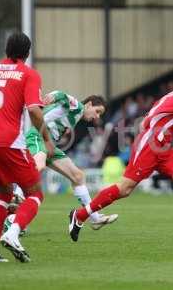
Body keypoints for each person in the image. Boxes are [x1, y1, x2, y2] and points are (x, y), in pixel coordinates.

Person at [68, 68, 173, 241]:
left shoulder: (168, 97)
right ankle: (79, 215)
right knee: (124, 189)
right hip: (151, 146)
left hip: (161, 147)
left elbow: (144, 124)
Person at [0, 32, 55, 262]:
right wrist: (46, 138)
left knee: (3, 193)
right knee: (35, 193)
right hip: (10, 142)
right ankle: (13, 233)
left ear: (6, 50)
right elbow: (34, 110)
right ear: (28, 52)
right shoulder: (28, 74)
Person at [14, 90, 118, 229]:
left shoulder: (74, 115)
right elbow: (64, 96)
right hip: (37, 137)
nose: (97, 117)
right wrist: (53, 96)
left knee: (78, 176)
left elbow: (54, 113)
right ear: (89, 104)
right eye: (97, 111)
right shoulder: (78, 107)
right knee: (38, 166)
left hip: (49, 145)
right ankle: (17, 195)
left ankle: (95, 217)